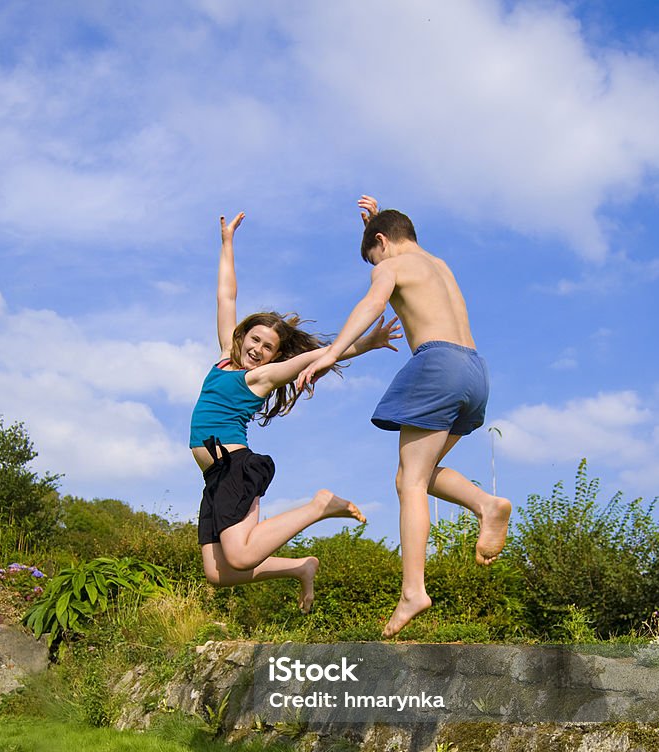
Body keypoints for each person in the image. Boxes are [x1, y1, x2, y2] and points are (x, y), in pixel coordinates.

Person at [298, 196, 511, 638]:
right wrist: (374, 222)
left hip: (438, 364)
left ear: (382, 243)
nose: (375, 266)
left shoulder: (389, 266)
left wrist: (331, 354)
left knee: (408, 482)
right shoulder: (438, 264)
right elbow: (393, 239)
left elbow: (373, 302)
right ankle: (485, 504)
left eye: (374, 255)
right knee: (421, 472)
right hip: (475, 371)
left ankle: (414, 590)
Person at [190, 210, 401, 612]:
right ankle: (302, 567)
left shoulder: (260, 378)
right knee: (219, 574)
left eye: (267, 347)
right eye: (254, 340)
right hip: (217, 475)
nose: (257, 349)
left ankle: (319, 506)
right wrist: (228, 242)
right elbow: (226, 295)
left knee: (239, 556)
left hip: (235, 467)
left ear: (273, 356)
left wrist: (366, 343)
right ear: (241, 337)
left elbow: (321, 354)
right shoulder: (223, 359)